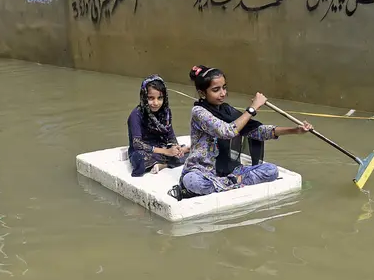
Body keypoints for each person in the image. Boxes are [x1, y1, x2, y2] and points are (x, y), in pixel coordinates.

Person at [175, 65, 312, 197]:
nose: (223, 93)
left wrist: (295, 130)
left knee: (271, 171)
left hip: (230, 170)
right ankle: (234, 182)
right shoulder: (198, 112)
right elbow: (226, 131)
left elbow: (257, 132)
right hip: (202, 171)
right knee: (193, 182)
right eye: (216, 90)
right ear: (202, 93)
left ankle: (228, 182)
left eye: (224, 88)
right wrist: (252, 108)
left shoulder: (227, 110)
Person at [127, 74, 190, 177]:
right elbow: (137, 144)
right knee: (139, 159)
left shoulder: (166, 113)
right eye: (151, 98)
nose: (156, 103)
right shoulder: (136, 115)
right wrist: (166, 152)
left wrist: (175, 147)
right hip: (144, 150)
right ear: (144, 97)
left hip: (161, 147)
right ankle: (169, 160)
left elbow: (170, 135)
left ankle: (163, 165)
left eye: (160, 98)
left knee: (192, 154)